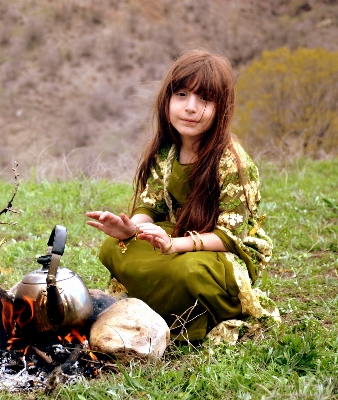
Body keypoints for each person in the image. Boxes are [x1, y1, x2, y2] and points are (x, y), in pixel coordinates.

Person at [86, 50, 277, 342]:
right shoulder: (167, 151)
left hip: (221, 256)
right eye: (182, 94)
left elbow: (229, 236)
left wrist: (175, 245)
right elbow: (151, 205)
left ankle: (192, 310)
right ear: (167, 100)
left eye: (205, 99)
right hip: (176, 237)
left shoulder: (233, 162)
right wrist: (131, 229)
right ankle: (162, 298)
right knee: (113, 247)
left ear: (221, 108)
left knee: (188, 272)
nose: (190, 107)